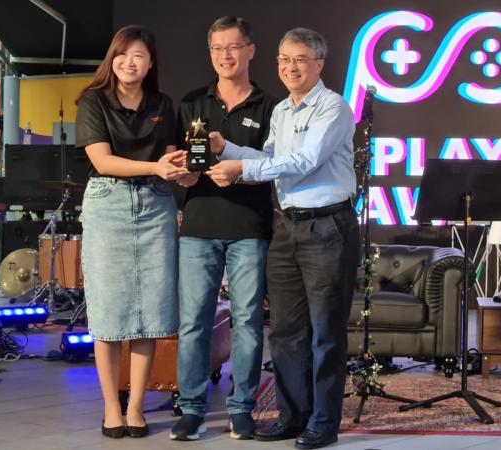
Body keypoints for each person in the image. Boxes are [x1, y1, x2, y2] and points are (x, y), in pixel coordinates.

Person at [207, 27, 359, 450]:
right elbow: (272, 159)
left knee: (325, 332)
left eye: (300, 59)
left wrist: (241, 170)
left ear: (319, 64)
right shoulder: (281, 111)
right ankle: (293, 416)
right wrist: (227, 149)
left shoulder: (334, 107)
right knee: (286, 331)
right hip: (286, 225)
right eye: (284, 59)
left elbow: (305, 161)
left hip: (327, 227)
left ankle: (324, 422)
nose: (291, 67)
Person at [74, 25, 188, 439]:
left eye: (139, 56)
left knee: (150, 313)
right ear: (112, 59)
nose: (129, 63)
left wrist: (184, 168)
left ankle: (137, 406)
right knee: (109, 313)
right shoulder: (93, 100)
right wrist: (157, 167)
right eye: (122, 55)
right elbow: (102, 161)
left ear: (150, 62)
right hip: (108, 203)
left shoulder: (162, 103)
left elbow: (170, 158)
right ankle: (111, 408)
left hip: (156, 204)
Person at [168, 16, 277, 442]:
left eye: (233, 47)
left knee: (248, 321)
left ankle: (241, 408)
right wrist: (183, 174)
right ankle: (192, 409)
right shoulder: (192, 102)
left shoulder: (269, 106)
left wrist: (238, 169)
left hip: (249, 227)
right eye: (217, 48)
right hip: (199, 225)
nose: (225, 56)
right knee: (194, 322)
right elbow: (182, 161)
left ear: (251, 50)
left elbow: (274, 166)